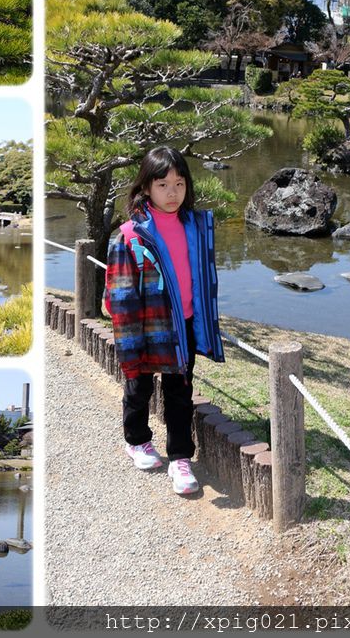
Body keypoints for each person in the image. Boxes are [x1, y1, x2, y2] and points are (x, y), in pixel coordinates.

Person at [104, 146, 225, 495]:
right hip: (144, 322)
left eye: (179, 183)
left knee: (180, 391)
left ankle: (180, 457)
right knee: (138, 384)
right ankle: (137, 440)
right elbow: (121, 294)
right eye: (162, 185)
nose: (173, 193)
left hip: (183, 321)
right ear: (145, 187)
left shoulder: (196, 225)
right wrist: (128, 339)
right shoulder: (131, 235)